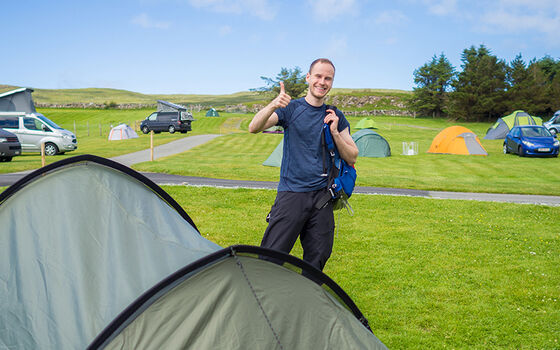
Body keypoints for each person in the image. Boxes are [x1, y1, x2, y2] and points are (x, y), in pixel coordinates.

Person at [248, 58, 358, 271]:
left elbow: (352, 157)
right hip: (292, 194)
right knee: (271, 256)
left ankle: (306, 298)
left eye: (328, 78)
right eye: (318, 76)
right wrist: (274, 104)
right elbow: (254, 127)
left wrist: (335, 131)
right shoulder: (291, 109)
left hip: (323, 197)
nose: (322, 82)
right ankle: (262, 297)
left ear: (331, 83)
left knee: (318, 257)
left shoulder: (335, 115)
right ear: (308, 78)